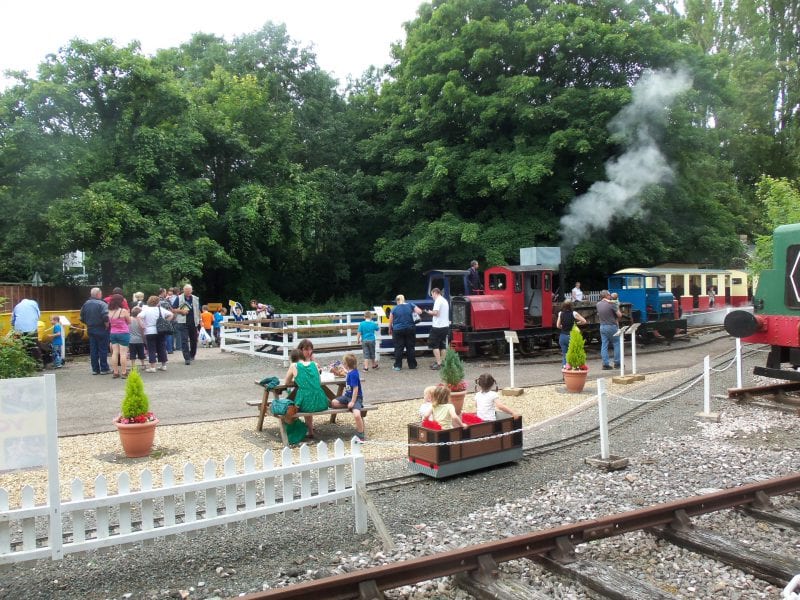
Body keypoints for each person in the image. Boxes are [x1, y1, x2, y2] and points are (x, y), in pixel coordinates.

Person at [284, 339, 330, 439]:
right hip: (322, 402)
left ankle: (296, 429)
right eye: (306, 350)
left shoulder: (294, 365)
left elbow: (286, 382)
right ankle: (309, 430)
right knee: (304, 396)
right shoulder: (314, 364)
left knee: (294, 404)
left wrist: (298, 382)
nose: (309, 352)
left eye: (310, 350)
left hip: (306, 401)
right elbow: (318, 380)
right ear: (301, 351)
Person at [329, 353, 366, 442]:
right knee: (334, 403)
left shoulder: (353, 374)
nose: (343, 364)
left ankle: (361, 434)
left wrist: (353, 402)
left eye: (344, 363)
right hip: (347, 396)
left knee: (357, 415)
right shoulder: (350, 372)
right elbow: (346, 372)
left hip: (356, 397)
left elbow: (356, 389)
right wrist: (338, 370)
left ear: (347, 364)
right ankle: (351, 407)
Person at [137, 295, 173, 373]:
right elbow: (171, 314)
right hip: (160, 330)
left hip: (149, 331)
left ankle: (152, 367)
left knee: (151, 349)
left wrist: (142, 324)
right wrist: (166, 321)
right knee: (162, 347)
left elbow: (139, 316)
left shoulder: (146, 310)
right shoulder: (161, 309)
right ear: (158, 302)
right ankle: (163, 365)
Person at [80, 287, 111, 375]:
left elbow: (81, 317)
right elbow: (105, 316)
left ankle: (95, 369)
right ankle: (104, 368)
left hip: (90, 329)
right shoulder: (102, 304)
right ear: (98, 294)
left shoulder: (85, 304)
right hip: (101, 329)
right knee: (103, 349)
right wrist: (107, 325)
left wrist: (88, 323)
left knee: (93, 350)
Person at [388, 294, 422, 371]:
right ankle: (412, 365)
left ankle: (398, 366)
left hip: (398, 330)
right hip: (410, 329)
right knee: (410, 347)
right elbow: (420, 311)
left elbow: (390, 320)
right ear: (404, 299)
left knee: (398, 348)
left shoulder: (394, 308)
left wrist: (389, 329)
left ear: (397, 300)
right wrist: (413, 311)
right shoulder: (410, 305)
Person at [172, 284, 200, 365]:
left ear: (192, 290)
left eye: (189, 290)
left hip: (193, 322)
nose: (188, 292)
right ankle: (187, 358)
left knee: (194, 340)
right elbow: (173, 309)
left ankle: (192, 355)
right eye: (186, 290)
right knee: (184, 340)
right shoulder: (179, 298)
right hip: (183, 322)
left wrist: (200, 320)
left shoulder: (195, 298)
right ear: (183, 290)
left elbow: (198, 310)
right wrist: (181, 311)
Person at [11, 297, 42, 367]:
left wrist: (13, 327)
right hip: (32, 329)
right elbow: (39, 315)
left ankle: (21, 365)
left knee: (20, 347)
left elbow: (13, 319)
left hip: (18, 330)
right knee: (35, 346)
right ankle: (39, 365)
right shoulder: (34, 303)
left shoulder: (17, 306)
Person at [556, 300, 588, 368]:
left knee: (565, 355)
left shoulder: (560, 313)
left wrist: (563, 326)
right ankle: (573, 370)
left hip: (562, 336)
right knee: (573, 354)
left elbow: (558, 326)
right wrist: (576, 324)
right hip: (571, 337)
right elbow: (584, 321)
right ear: (571, 306)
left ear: (563, 305)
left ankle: (565, 371)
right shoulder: (574, 313)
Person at [107, 294, 131, 379]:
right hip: (123, 333)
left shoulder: (109, 311)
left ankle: (116, 372)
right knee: (123, 353)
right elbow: (129, 321)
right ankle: (124, 372)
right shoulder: (123, 311)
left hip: (113, 333)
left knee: (114, 353)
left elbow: (108, 323)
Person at [425, 288, 449, 370]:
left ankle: (438, 364)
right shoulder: (444, 300)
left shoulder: (438, 300)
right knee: (442, 345)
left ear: (435, 293)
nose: (432, 297)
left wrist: (428, 312)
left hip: (438, 327)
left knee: (434, 344)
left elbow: (436, 313)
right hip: (445, 326)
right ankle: (443, 362)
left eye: (432, 294)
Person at [597, 290, 622, 370]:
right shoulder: (612, 304)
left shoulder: (598, 304)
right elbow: (619, 315)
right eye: (609, 295)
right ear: (606, 295)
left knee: (604, 345)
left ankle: (605, 364)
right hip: (611, 326)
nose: (610, 296)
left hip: (602, 326)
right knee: (616, 343)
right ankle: (617, 363)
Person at [128, 306, 147, 370]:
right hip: (140, 340)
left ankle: (133, 366)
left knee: (132, 354)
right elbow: (143, 330)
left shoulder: (129, 319)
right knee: (141, 353)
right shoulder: (141, 321)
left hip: (131, 340)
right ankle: (143, 364)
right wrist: (144, 339)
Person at [159, 288, 175, 354]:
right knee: (168, 333)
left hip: (159, 319)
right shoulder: (166, 301)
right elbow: (171, 309)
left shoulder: (156, 300)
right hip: (168, 318)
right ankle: (170, 349)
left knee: (161, 334)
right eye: (165, 292)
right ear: (163, 292)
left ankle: (162, 349)